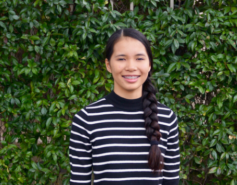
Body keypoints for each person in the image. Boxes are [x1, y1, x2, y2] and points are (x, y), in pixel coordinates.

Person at [69, 28, 180, 185]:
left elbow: (171, 182)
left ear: (149, 65)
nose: (131, 67)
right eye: (121, 59)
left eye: (139, 59)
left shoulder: (167, 118)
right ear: (108, 65)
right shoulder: (86, 119)